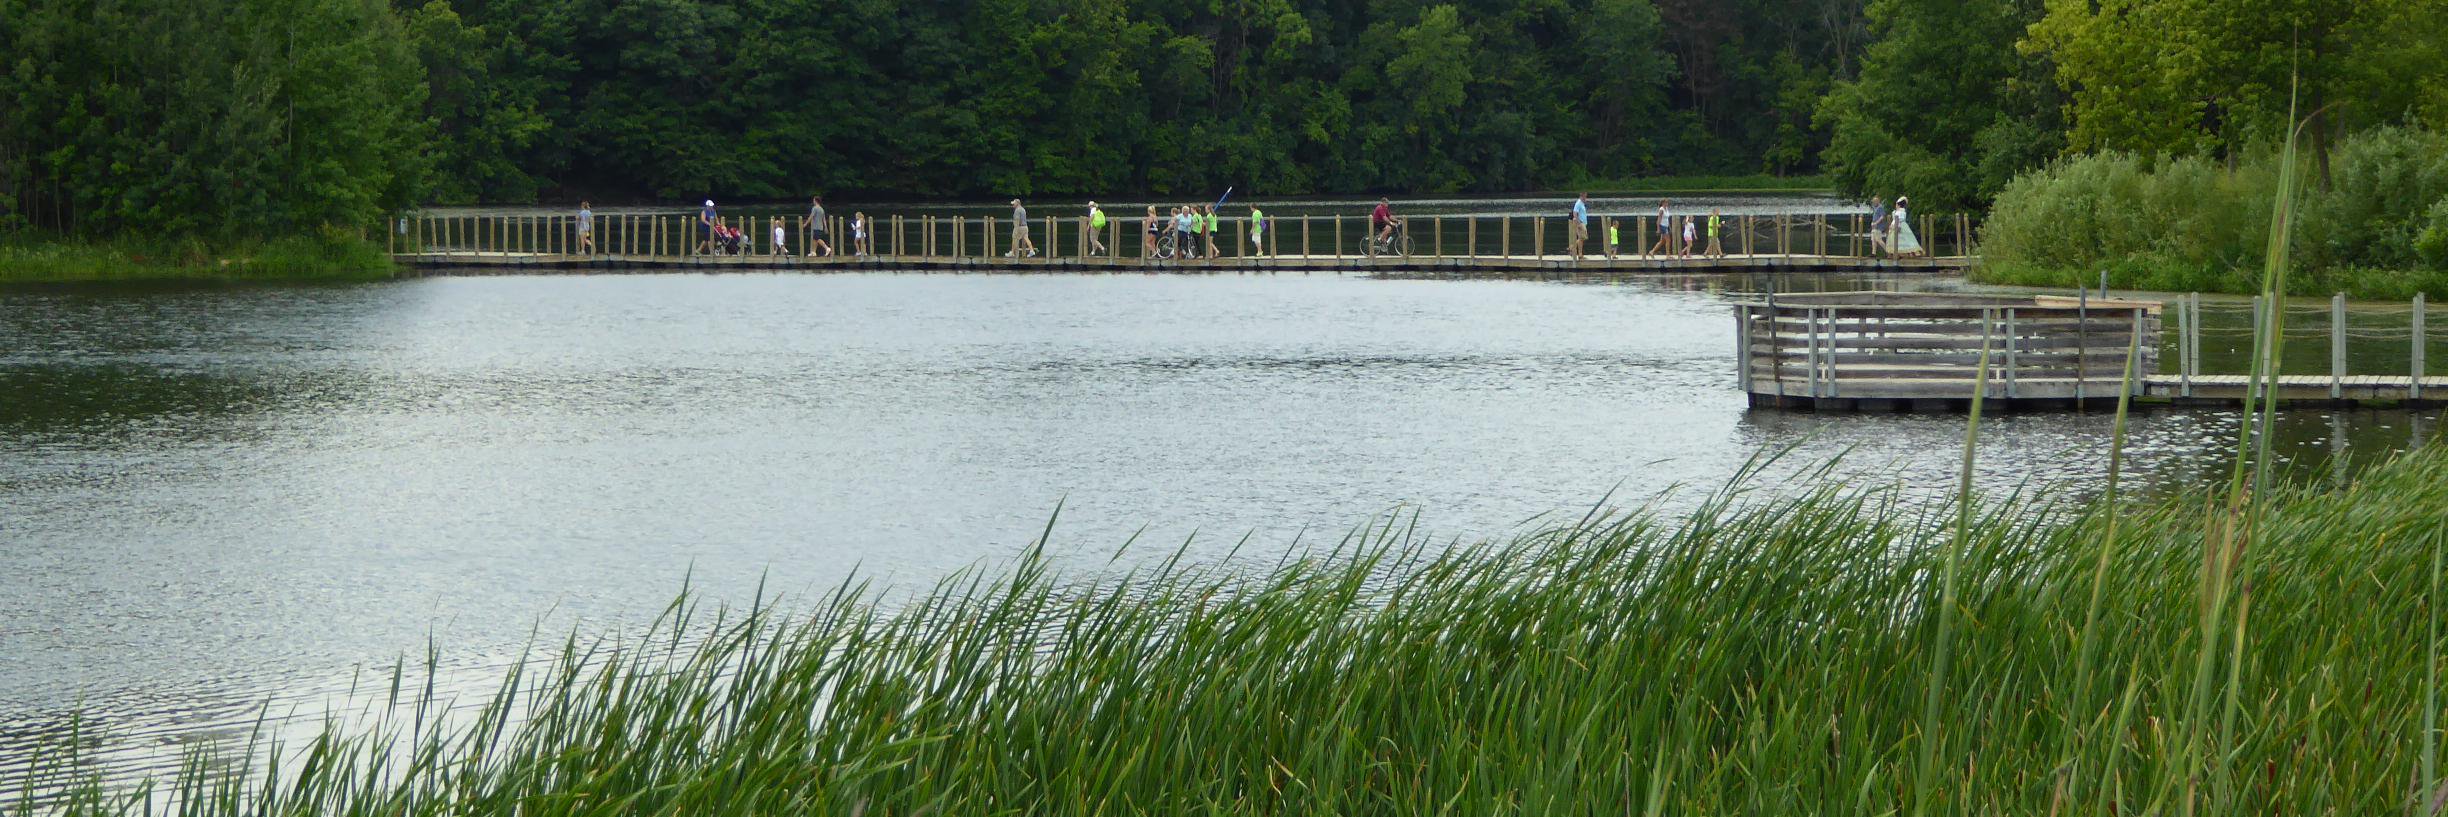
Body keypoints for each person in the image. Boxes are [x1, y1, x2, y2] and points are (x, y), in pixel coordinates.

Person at [1568, 193, 1590, 260]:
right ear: (1581, 196)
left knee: (1582, 239)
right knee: (1582, 238)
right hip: (1580, 224)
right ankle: (1574, 250)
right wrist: (1578, 223)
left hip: (1583, 223)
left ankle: (1576, 251)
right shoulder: (1578, 203)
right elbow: (1575, 213)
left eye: (1586, 197)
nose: (1585, 198)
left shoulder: (1582, 203)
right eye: (1585, 197)